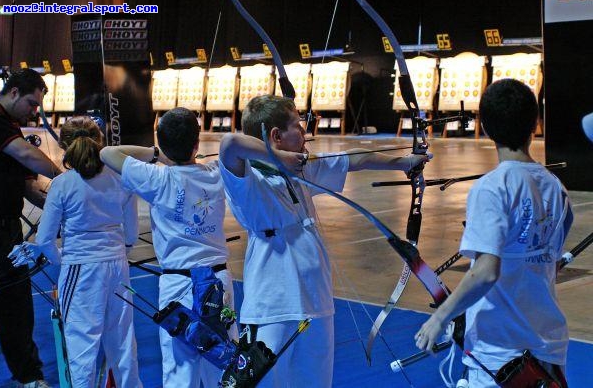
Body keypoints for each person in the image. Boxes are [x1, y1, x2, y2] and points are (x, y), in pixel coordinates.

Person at [218, 94, 428, 387]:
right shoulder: (248, 180)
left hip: (316, 301)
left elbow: (355, 158)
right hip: (273, 307)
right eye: (298, 127)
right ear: (276, 136)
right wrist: (278, 157)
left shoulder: (303, 169)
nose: (305, 134)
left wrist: (404, 162)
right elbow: (230, 144)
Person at [415, 78, 572, 387]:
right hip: (548, 348)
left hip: (500, 356)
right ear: (534, 123)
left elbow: (486, 272)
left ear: (484, 127)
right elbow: (548, 263)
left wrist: (440, 317)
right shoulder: (557, 187)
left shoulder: (492, 188)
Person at [100, 107, 238, 388]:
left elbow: (107, 154)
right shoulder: (215, 173)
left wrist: (155, 154)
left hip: (178, 287)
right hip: (217, 281)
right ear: (197, 144)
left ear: (161, 144)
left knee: (179, 370)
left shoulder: (158, 178)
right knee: (223, 368)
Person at [10, 116, 142, 388]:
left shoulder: (62, 184)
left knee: (82, 347)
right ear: (100, 142)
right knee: (122, 344)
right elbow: (131, 235)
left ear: (64, 146)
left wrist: (64, 263)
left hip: (81, 270)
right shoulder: (121, 178)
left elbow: (45, 240)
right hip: (118, 266)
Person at [0, 68, 61, 388]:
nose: (35, 111)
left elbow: (29, 188)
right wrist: (67, 178)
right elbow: (25, 155)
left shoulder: (11, 127)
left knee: (16, 307)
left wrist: (64, 207)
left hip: (7, 232)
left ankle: (30, 376)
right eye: (32, 103)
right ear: (15, 93)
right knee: (10, 304)